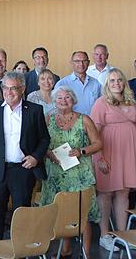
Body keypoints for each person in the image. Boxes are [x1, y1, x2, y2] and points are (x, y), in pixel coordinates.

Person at [0, 71, 50, 241]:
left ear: (23, 89)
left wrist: (35, 157)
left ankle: (20, 251)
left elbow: (44, 138)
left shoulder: (34, 110)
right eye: (5, 88)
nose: (9, 92)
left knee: (21, 215)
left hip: (23, 170)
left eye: (13, 89)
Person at [42, 86, 104, 256]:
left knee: (81, 215)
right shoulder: (48, 119)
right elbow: (41, 143)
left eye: (67, 97)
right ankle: (65, 249)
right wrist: (48, 153)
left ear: (74, 100)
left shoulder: (84, 120)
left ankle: (86, 253)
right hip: (55, 174)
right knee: (59, 213)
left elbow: (98, 143)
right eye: (60, 98)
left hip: (79, 175)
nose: (63, 100)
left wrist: (81, 151)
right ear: (54, 100)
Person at [90, 68, 136, 251]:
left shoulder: (132, 102)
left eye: (119, 80)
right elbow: (93, 133)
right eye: (112, 80)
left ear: (124, 82)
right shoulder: (101, 103)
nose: (116, 83)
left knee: (124, 192)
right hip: (108, 153)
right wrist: (99, 157)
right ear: (107, 84)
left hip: (129, 154)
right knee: (106, 193)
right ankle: (105, 235)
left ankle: (122, 234)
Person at [55, 51, 102, 115]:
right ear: (72, 63)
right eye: (77, 61)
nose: (81, 64)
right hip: (72, 123)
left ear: (88, 63)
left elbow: (101, 104)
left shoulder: (96, 83)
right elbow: (57, 108)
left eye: (84, 61)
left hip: (93, 122)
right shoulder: (62, 84)